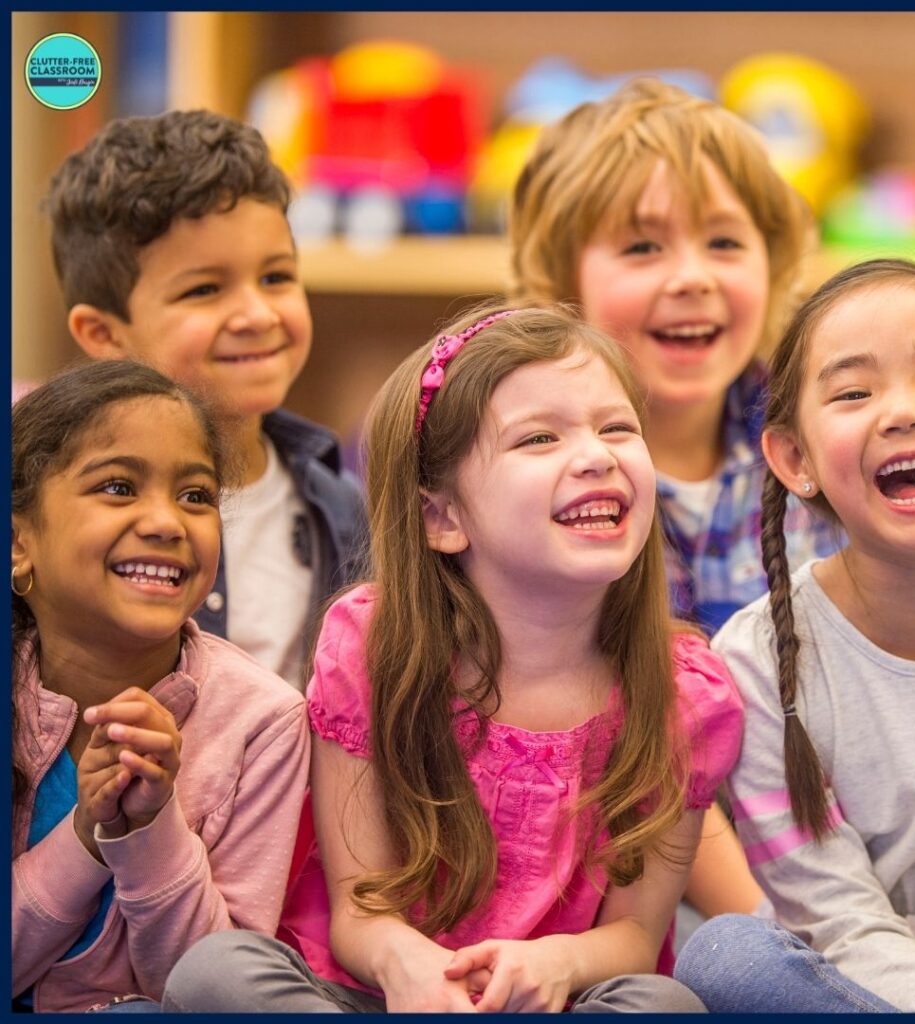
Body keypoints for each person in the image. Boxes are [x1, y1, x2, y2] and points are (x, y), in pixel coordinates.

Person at [161, 305, 744, 1013]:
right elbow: (357, 913)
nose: (596, 455)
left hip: (553, 1003)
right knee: (213, 970)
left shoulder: (688, 694)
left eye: (617, 428)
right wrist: (404, 961)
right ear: (442, 517)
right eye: (538, 438)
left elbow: (633, 933)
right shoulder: (372, 647)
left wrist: (555, 962)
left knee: (664, 1005)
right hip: (371, 995)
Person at [510, 74, 833, 928]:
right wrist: (783, 931)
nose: (691, 277)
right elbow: (634, 763)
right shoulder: (545, 486)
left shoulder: (819, 445)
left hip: (839, 850)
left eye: (724, 243)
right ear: (558, 276)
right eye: (644, 248)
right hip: (639, 880)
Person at [674, 260, 915, 1013]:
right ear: (795, 460)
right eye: (854, 393)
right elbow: (839, 925)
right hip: (863, 994)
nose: (903, 411)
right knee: (727, 956)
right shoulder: (760, 663)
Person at [11, 360, 311, 1013]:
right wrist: (86, 833)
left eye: (196, 495)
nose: (168, 522)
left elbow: (220, 986)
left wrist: (149, 826)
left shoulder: (266, 720)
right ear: (18, 542)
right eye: (118, 487)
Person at [44, 109, 367, 690]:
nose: (258, 314)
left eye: (276, 277)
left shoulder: (344, 510)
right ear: (104, 334)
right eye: (205, 290)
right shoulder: (51, 507)